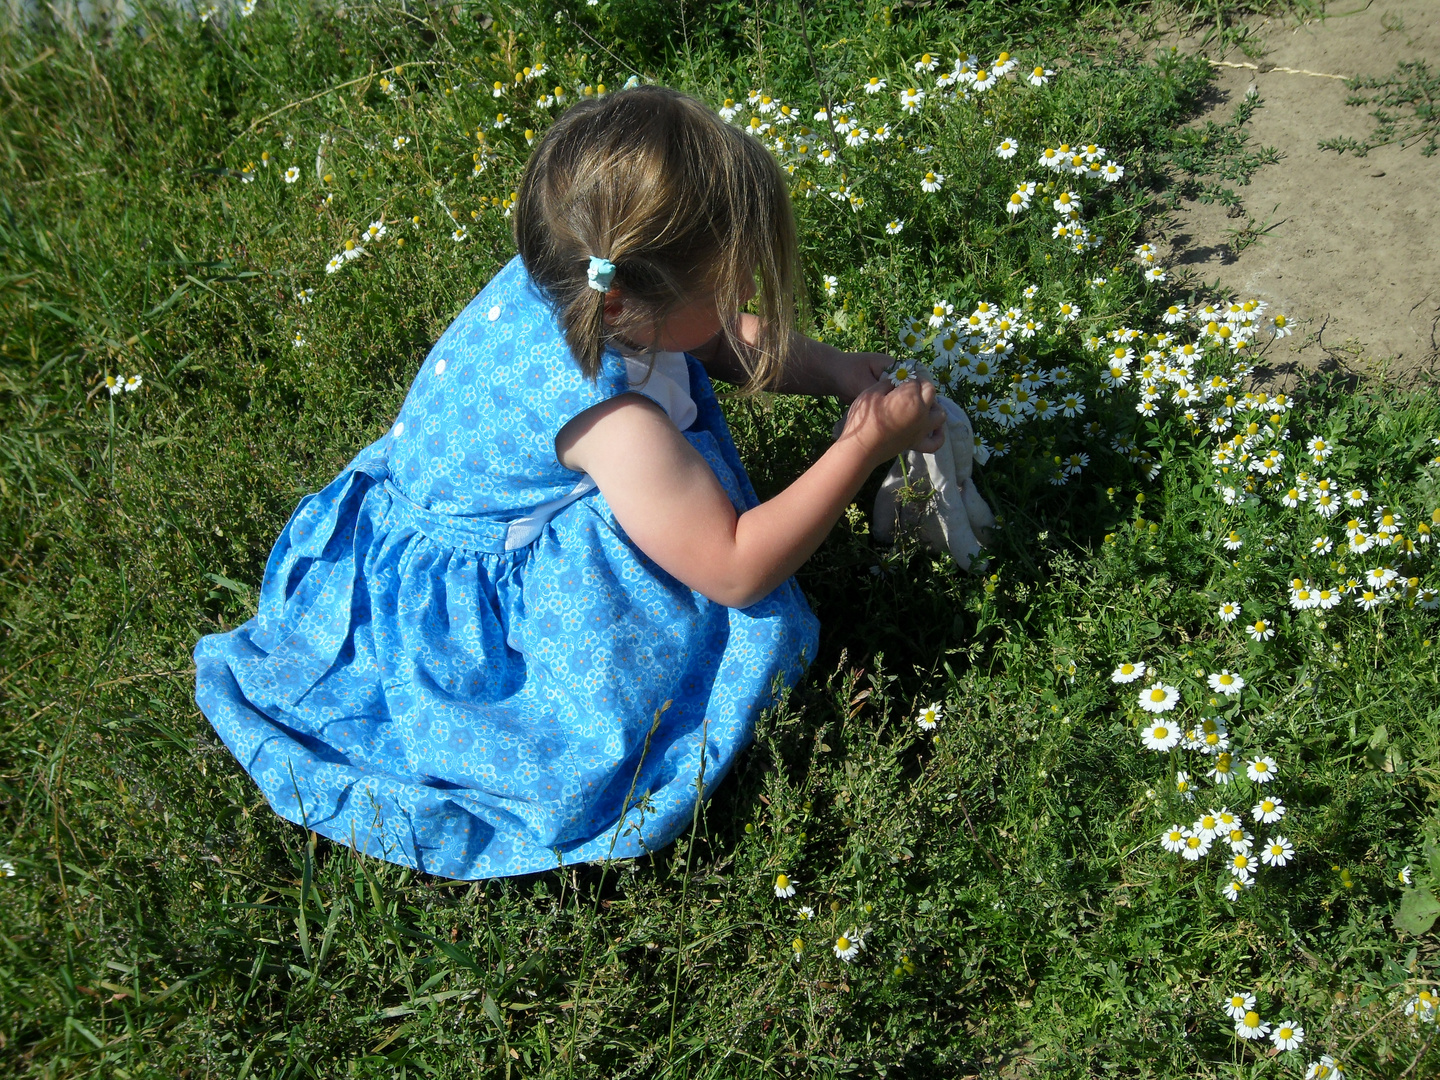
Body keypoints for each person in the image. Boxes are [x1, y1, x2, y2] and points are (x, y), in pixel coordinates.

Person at [193, 86, 944, 880]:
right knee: (673, 663)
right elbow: (736, 565)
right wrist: (861, 446)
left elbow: (705, 338)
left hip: (408, 527)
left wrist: (832, 369)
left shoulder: (575, 277)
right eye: (731, 287)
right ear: (627, 298)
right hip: (466, 625)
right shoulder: (616, 427)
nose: (745, 301)